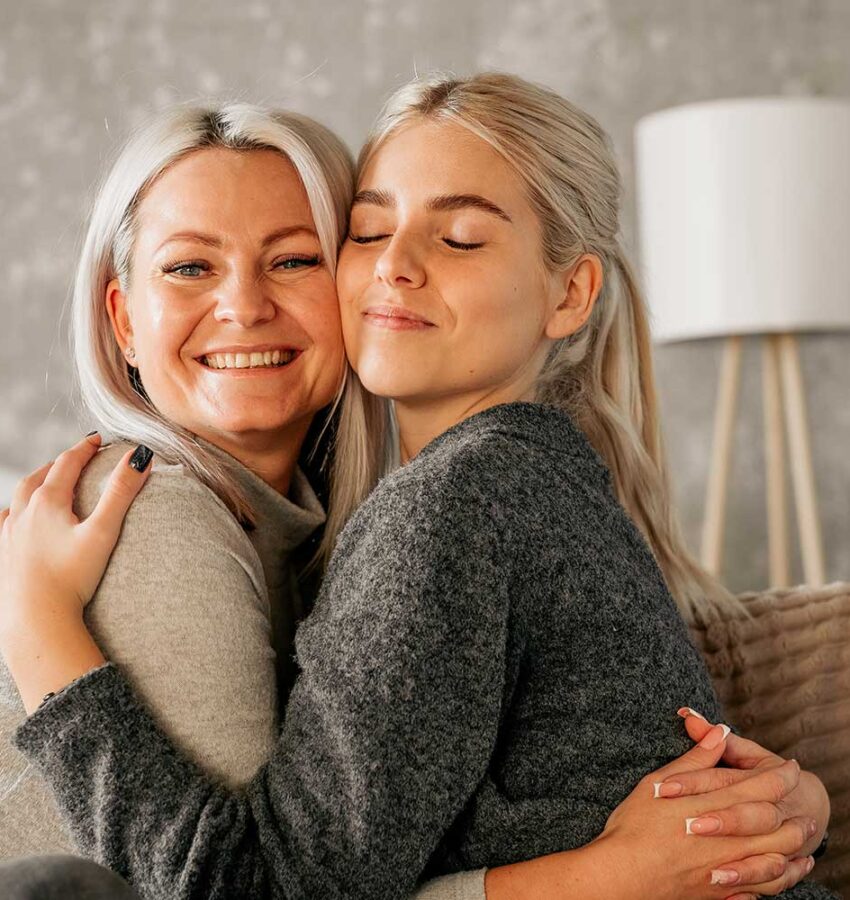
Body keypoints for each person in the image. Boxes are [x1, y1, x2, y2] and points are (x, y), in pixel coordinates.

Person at [0, 75, 834, 900]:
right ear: (122, 318)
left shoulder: (451, 506)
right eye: (369, 232)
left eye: (461, 238)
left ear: (570, 293)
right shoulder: (507, 485)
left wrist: (793, 804)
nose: (395, 267)